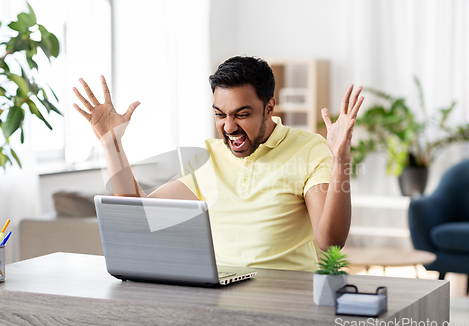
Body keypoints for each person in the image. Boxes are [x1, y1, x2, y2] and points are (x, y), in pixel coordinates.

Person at [73, 55, 364, 271]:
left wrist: (341, 159)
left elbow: (330, 242)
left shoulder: (308, 150)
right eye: (220, 115)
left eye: (242, 114)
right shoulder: (207, 158)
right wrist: (112, 144)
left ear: (269, 109)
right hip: (221, 294)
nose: (228, 127)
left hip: (287, 293)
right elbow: (141, 217)